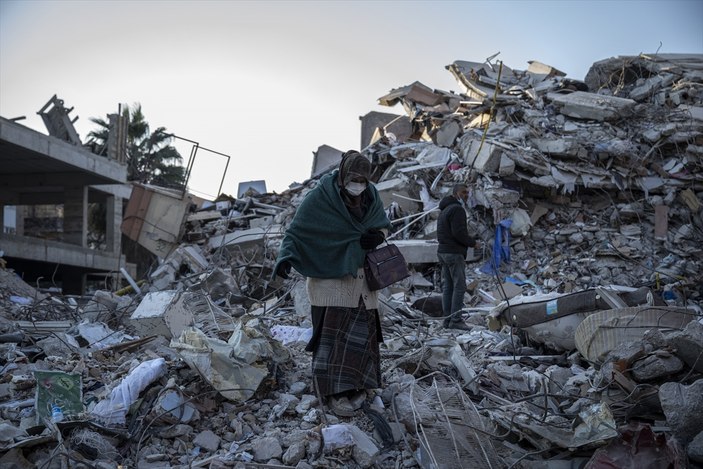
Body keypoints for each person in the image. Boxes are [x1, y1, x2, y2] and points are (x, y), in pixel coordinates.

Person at [273, 150, 392, 417]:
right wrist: (285, 258)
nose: (358, 185)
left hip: (362, 282)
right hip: (331, 282)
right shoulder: (321, 197)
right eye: (353, 179)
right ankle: (334, 393)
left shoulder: (371, 197)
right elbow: (297, 231)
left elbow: (383, 225)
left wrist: (376, 237)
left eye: (363, 179)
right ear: (342, 175)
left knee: (363, 337)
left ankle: (361, 386)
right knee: (333, 340)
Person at [437, 182, 478, 330]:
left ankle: (447, 320)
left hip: (443, 252)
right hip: (454, 253)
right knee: (459, 286)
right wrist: (473, 243)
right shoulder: (457, 209)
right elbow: (458, 233)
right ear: (456, 194)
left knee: (448, 287)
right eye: (463, 192)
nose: (466, 195)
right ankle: (456, 320)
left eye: (467, 193)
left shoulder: (444, 209)